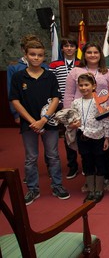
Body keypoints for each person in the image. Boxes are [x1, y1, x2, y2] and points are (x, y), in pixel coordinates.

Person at [9, 39, 70, 205]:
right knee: (30, 157)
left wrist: (44, 119)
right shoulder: (18, 76)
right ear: (26, 55)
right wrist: (32, 121)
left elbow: (56, 98)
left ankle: (57, 185)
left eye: (40, 55)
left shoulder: (50, 76)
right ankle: (33, 189)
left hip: (48, 123)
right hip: (28, 124)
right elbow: (15, 100)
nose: (36, 58)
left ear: (44, 57)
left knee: (53, 155)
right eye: (32, 55)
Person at [64, 42, 109, 191]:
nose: (92, 55)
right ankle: (90, 181)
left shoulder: (108, 72)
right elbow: (68, 95)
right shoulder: (75, 71)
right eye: (89, 52)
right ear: (84, 54)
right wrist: (70, 119)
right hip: (80, 118)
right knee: (86, 153)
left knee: (103, 153)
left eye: (96, 52)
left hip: (101, 118)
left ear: (100, 55)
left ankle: (104, 179)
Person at [69, 73, 109, 203]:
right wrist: (72, 123)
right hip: (83, 136)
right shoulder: (76, 103)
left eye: (86, 85)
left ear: (94, 86)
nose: (83, 87)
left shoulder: (99, 101)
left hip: (98, 136)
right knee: (87, 161)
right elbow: (71, 118)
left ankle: (99, 189)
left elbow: (106, 119)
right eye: (80, 85)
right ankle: (91, 189)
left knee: (99, 161)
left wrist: (107, 137)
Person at [49, 37, 80, 179]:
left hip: (80, 103)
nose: (69, 48)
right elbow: (51, 84)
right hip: (61, 104)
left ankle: (85, 163)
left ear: (76, 48)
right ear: (62, 48)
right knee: (68, 135)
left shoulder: (81, 63)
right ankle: (72, 165)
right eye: (66, 46)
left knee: (82, 133)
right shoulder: (55, 65)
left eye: (71, 45)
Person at [7, 34, 46, 125]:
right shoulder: (14, 67)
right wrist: (16, 114)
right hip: (24, 110)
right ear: (24, 50)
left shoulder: (45, 66)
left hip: (44, 111)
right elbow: (11, 92)